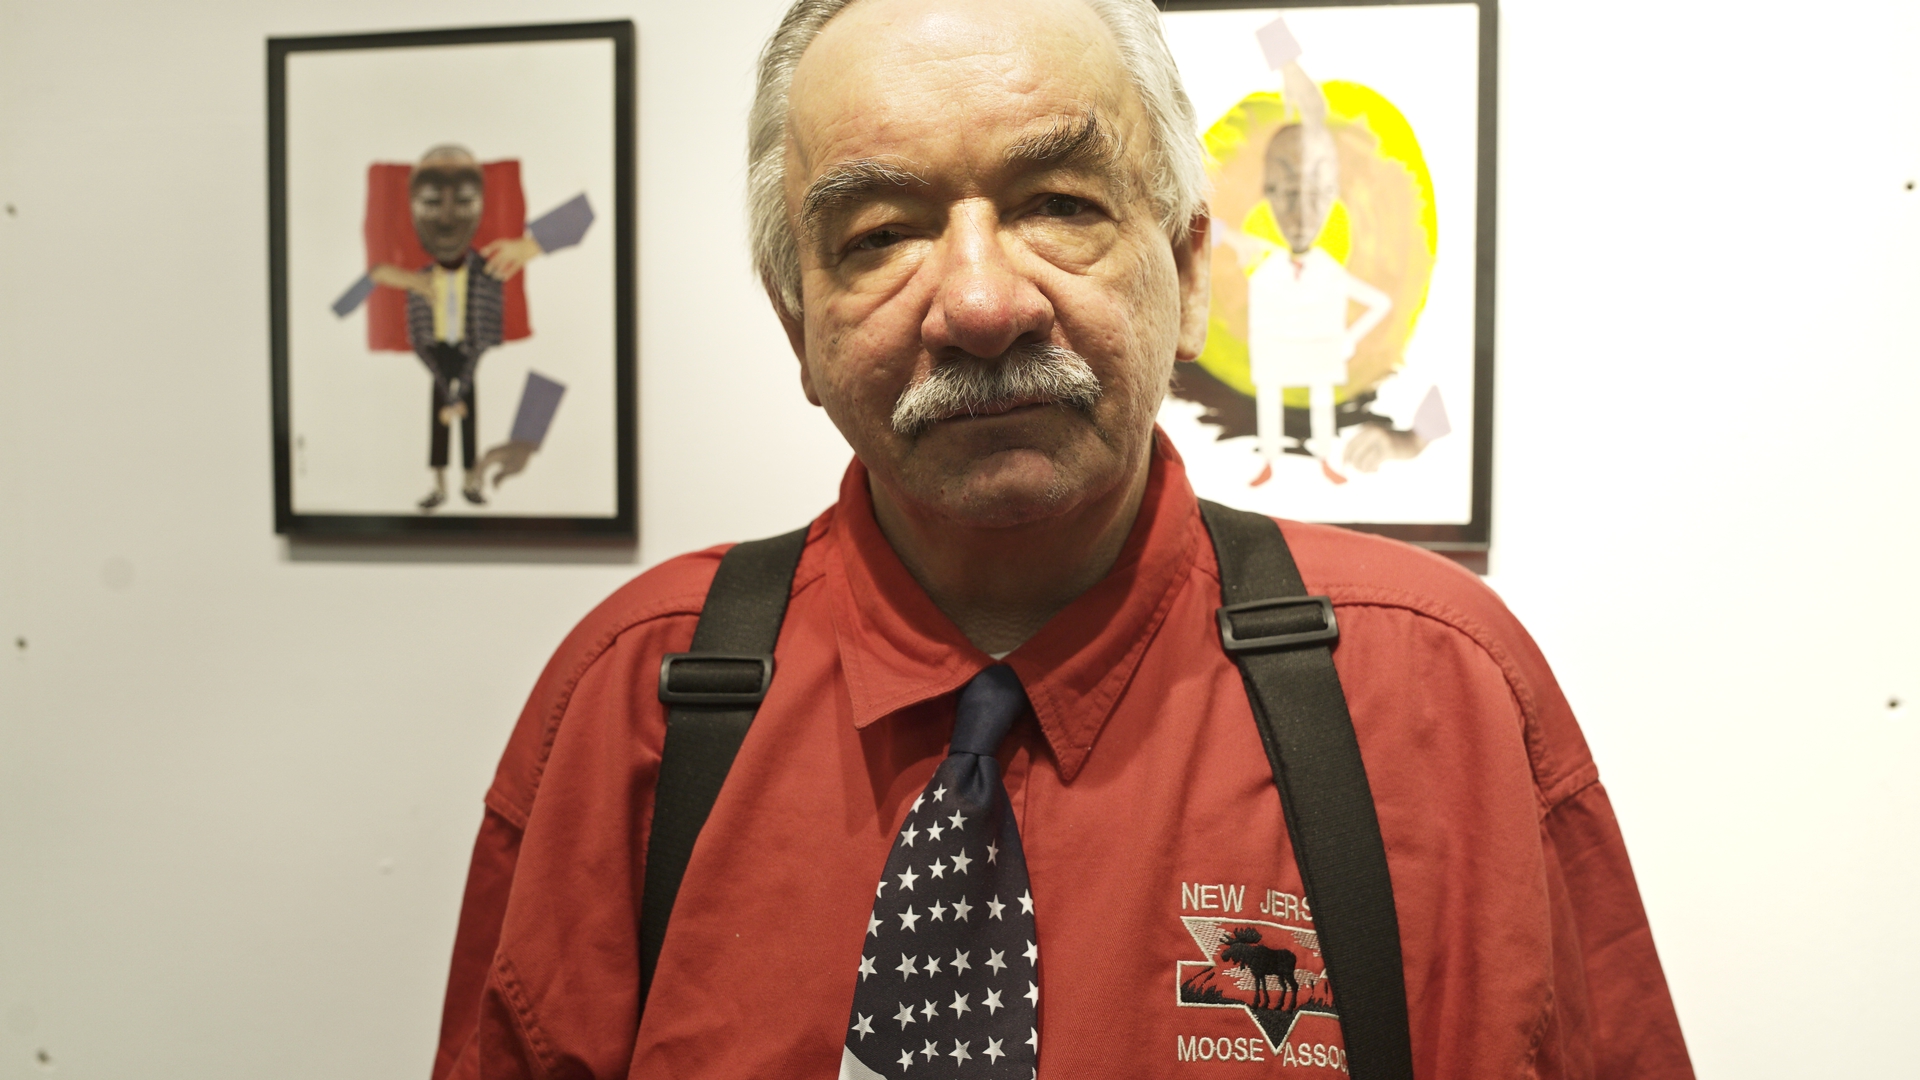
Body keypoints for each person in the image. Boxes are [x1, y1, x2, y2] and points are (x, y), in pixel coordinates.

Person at [430, 1, 1694, 1077]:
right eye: (881, 235)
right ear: (798, 323)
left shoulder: (1437, 694)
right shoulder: (636, 709)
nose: (982, 302)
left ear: (1187, 276)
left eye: (1059, 203)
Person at [360, 145, 594, 510]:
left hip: (472, 355)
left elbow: (590, 209)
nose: (447, 219)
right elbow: (335, 308)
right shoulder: (413, 280)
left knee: (468, 417)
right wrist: (381, 275)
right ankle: (440, 484)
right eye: (431, 202)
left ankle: (468, 480)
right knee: (439, 422)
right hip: (437, 356)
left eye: (465, 200)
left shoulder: (496, 270)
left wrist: (534, 244)